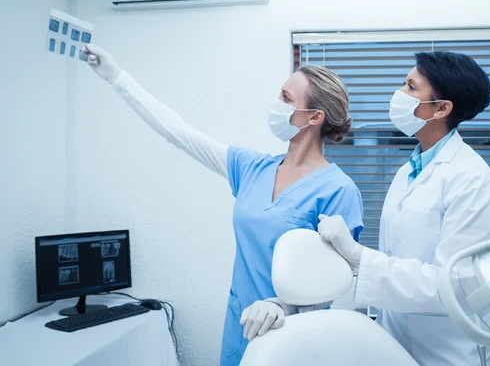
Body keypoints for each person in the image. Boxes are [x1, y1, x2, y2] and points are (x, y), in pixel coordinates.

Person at [84, 44, 364, 366]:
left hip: (297, 335)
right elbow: (179, 134)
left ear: (315, 117)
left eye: (286, 99)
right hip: (242, 324)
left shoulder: (338, 190)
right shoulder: (252, 168)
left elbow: (335, 286)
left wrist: (285, 306)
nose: (276, 104)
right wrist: (116, 77)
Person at [250, 51, 490, 365]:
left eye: (411, 88)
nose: (399, 94)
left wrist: (359, 258)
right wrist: (287, 304)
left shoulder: (473, 180)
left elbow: (455, 286)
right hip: (396, 345)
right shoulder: (409, 171)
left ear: (441, 108)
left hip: (450, 353)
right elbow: (396, 266)